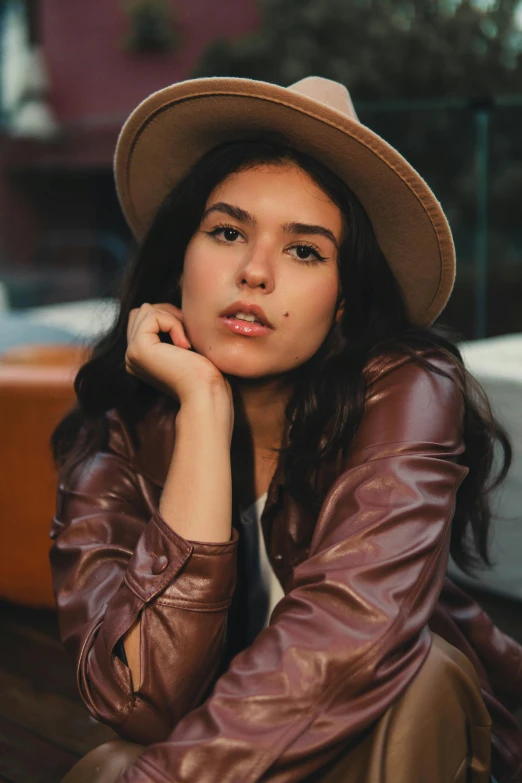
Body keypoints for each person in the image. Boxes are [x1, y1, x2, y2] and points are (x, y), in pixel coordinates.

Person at [49, 76, 522, 783]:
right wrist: (203, 413)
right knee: (105, 761)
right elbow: (140, 702)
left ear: (342, 302)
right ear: (182, 261)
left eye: (305, 251)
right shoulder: (119, 432)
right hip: (224, 747)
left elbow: (351, 634)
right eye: (228, 231)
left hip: (406, 735)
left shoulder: (407, 385)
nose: (254, 272)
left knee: (422, 679)